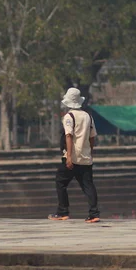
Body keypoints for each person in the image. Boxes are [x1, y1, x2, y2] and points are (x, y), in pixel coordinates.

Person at [48, 88, 100, 223]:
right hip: (85, 158)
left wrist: (69, 157)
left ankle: (62, 211)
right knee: (88, 185)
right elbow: (92, 137)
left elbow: (68, 136)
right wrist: (90, 152)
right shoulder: (88, 116)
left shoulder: (68, 117)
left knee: (60, 182)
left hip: (73, 157)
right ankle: (94, 214)